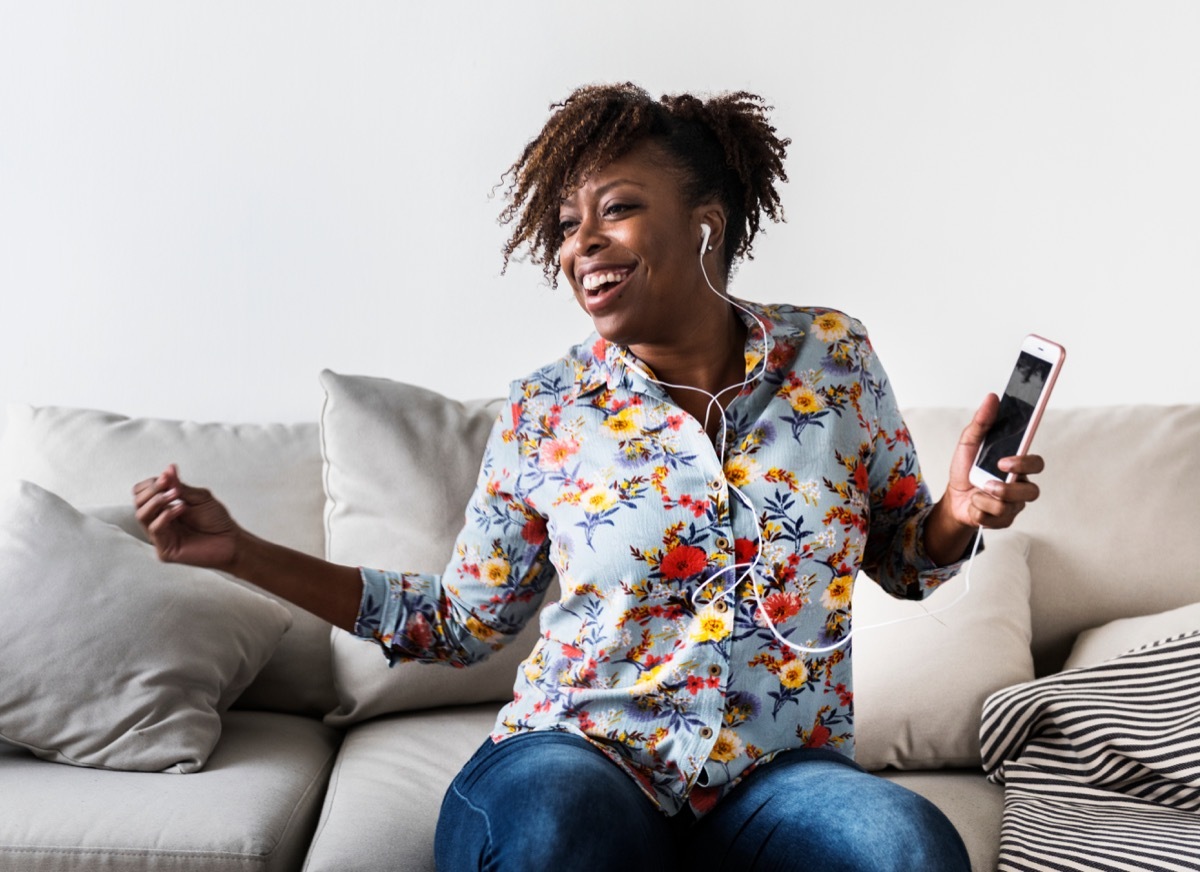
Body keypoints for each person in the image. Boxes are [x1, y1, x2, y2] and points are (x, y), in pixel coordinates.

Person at [134, 83, 1043, 872]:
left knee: (908, 850)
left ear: (705, 223)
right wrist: (241, 552)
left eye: (615, 209)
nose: (581, 246)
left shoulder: (833, 356)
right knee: (555, 838)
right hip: (579, 757)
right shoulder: (548, 408)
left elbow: (903, 559)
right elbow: (459, 623)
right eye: (567, 226)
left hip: (775, 776)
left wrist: (958, 515)